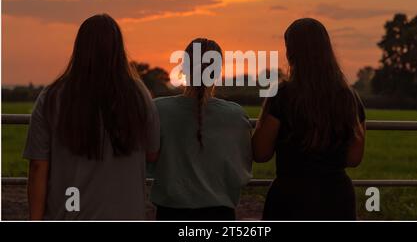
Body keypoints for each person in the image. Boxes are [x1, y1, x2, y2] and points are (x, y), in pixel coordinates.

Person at [23, 14, 160, 220]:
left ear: (79, 47)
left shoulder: (51, 95)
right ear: (118, 49)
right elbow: (152, 153)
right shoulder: (139, 94)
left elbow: (38, 166)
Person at [252, 18, 366, 220]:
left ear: (291, 52)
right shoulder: (348, 97)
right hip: (337, 199)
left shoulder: (281, 95)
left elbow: (260, 153)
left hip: (290, 199)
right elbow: (353, 159)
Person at [150, 38, 252, 220]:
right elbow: (243, 164)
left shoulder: (158, 110)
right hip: (220, 214)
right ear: (218, 72)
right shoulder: (235, 114)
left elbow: (148, 159)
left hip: (171, 212)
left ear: (183, 68)